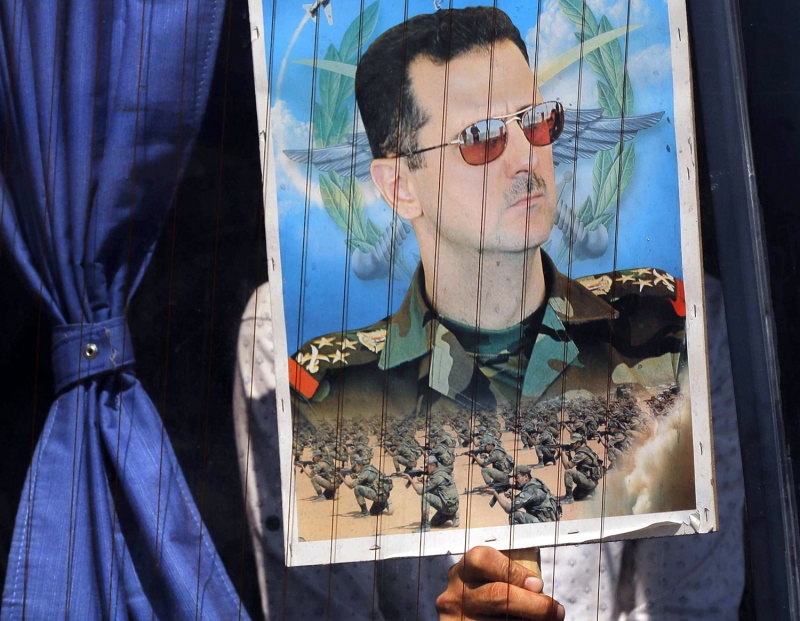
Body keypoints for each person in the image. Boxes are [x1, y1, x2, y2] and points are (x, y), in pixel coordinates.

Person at [404, 455, 461, 532]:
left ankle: (425, 526)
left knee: (425, 496)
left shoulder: (436, 477)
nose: (426, 469)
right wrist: (424, 482)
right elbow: (437, 490)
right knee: (434, 523)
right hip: (452, 504)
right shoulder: (442, 471)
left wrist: (410, 479)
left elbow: (420, 491)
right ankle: (452, 515)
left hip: (448, 507)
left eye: (427, 466)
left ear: (433, 465)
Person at [489, 465, 559, 524]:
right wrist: (511, 496)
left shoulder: (530, 490)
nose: (515, 481)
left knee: (514, 516)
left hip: (545, 524)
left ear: (526, 477)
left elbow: (509, 508)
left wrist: (495, 493)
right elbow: (522, 503)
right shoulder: (535, 482)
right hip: (550, 520)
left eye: (517, 477)